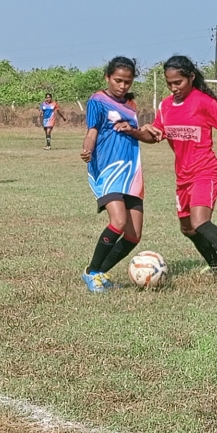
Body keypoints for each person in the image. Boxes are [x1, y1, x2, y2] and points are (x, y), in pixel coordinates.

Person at [149, 55, 217, 289]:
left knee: (200, 222)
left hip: (204, 170)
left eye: (178, 82)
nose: (173, 88)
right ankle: (216, 265)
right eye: (169, 83)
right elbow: (154, 135)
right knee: (187, 228)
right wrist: (134, 132)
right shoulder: (165, 106)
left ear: (191, 78)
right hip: (182, 176)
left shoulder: (202, 101)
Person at [78, 57, 151, 292]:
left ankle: (99, 273)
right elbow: (92, 132)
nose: (122, 86)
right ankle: (91, 272)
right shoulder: (97, 101)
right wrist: (87, 149)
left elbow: (138, 134)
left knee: (133, 235)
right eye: (118, 80)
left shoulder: (131, 103)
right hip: (107, 170)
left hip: (131, 171)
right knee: (118, 221)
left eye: (127, 82)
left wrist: (136, 130)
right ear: (107, 77)